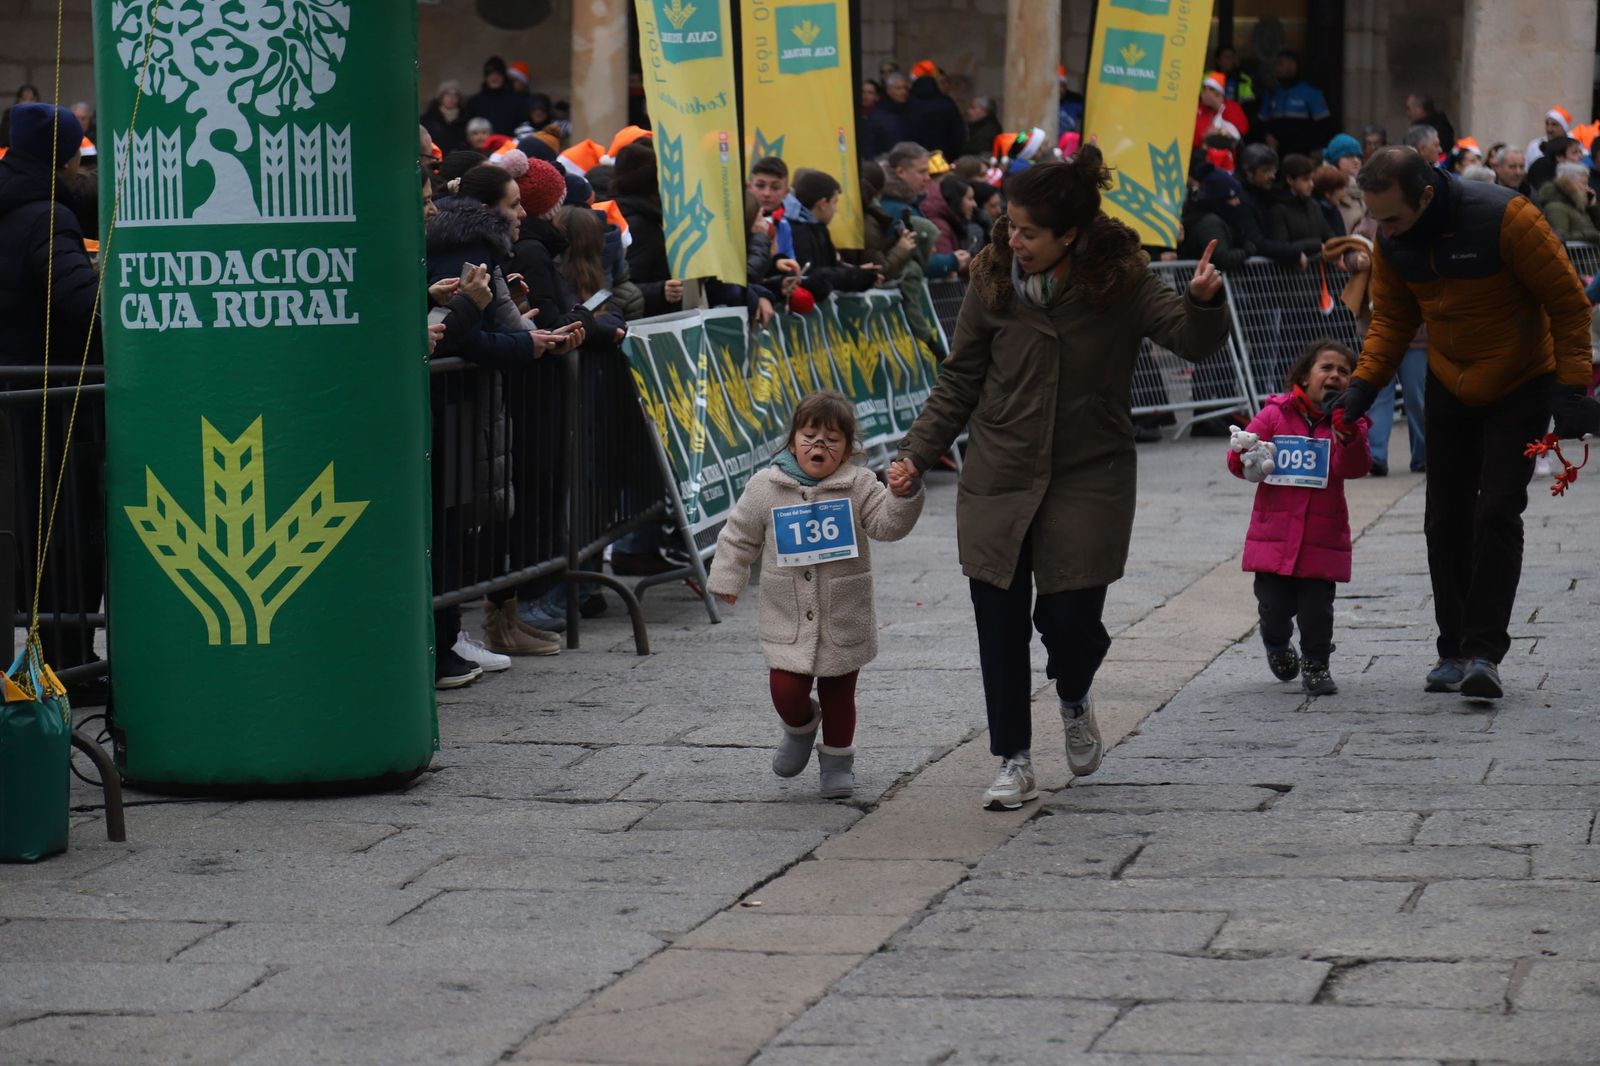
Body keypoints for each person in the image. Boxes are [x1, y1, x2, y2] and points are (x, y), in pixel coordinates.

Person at [886, 147, 1231, 810]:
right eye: (1010, 226)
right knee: (999, 623)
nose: (1013, 242)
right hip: (1000, 469)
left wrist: (1202, 300)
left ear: (1068, 235)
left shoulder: (1120, 278)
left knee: (1071, 622)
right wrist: (915, 454)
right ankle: (1013, 759)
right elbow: (959, 379)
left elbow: (1190, 339)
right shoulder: (992, 277)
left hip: (1088, 471)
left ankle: (1074, 694)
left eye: (1029, 233)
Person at [1329, 147, 1598, 700]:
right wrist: (1362, 386)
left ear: (1427, 195)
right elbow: (1392, 320)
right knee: (1444, 518)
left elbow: (1569, 303)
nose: (1385, 231)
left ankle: (1483, 653)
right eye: (1377, 219)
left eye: (1393, 218)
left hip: (1521, 380)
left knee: (1497, 511)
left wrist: (1572, 389)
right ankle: (1451, 648)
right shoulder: (1391, 240)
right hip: (1449, 381)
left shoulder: (1508, 218)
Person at [706, 391, 924, 799]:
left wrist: (903, 495)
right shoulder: (766, 487)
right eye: (809, 436)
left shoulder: (859, 485)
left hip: (844, 612)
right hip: (786, 614)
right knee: (785, 689)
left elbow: (887, 525)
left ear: (848, 449)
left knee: (839, 694)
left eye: (832, 439)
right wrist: (727, 578)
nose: (818, 445)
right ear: (792, 442)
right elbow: (738, 535)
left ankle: (838, 764)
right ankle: (800, 727)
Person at [0, 103, 105, 683]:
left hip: (16, 396)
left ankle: (40, 664)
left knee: (26, 531)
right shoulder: (47, 217)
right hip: (52, 403)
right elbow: (83, 308)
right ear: (63, 158)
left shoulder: (17, 201)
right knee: (62, 534)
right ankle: (69, 664)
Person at [1228, 339, 1371, 696]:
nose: (1334, 375)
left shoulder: (1351, 422)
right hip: (1274, 538)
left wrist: (1347, 434)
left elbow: (1354, 467)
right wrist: (1245, 455)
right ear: (1305, 377)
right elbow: (1241, 455)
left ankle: (1316, 663)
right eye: (1326, 368)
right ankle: (1276, 643)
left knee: (1317, 611)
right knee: (1273, 608)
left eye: (1343, 371)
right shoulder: (1274, 414)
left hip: (1322, 538)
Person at [782, 170, 879, 300]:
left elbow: (830, 266)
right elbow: (812, 278)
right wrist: (856, 276)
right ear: (822, 204)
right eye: (834, 202)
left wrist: (858, 273)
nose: (836, 210)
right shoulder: (795, 230)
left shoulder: (819, 228)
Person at [1257, 50, 1331, 157]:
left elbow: (1323, 125)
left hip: (1303, 153)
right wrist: (1267, 136)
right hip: (1276, 153)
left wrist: (1315, 148)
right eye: (1275, 64)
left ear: (1293, 65)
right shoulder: (1272, 93)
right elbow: (1262, 122)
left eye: (1280, 64)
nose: (1276, 68)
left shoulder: (1311, 92)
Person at [1271, 154, 1335, 252]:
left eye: (1312, 179)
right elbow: (1283, 246)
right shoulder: (1278, 209)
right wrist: (1316, 246)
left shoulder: (1314, 205)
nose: (1311, 184)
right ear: (1290, 180)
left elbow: (1328, 234)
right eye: (1305, 179)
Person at [902, 67, 965, 161]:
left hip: (914, 156)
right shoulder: (946, 103)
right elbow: (958, 133)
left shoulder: (908, 103)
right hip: (941, 156)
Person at [1194, 70, 1249, 173]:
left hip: (1226, 162)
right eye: (1204, 88)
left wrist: (1219, 106)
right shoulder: (1197, 109)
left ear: (1218, 92)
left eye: (1211, 89)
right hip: (1200, 159)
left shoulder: (1231, 107)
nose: (1206, 92)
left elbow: (1241, 130)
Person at [468, 56, 533, 136]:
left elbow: (523, 128)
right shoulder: (475, 102)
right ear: (486, 77)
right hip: (483, 142)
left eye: (498, 74)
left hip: (510, 142)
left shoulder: (517, 101)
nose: (494, 77)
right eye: (490, 74)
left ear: (504, 76)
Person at [1538, 161, 1600, 243]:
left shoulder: (1579, 205)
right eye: (1584, 183)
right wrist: (1591, 235)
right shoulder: (1555, 207)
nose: (1587, 188)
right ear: (1568, 183)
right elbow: (1560, 237)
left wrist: (1593, 207)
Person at [865, 73, 911, 160]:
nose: (903, 92)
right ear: (888, 90)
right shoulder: (878, 114)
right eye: (898, 88)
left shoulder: (911, 109)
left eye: (905, 88)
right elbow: (869, 143)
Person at [422, 80, 468, 155]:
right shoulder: (428, 119)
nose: (451, 98)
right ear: (441, 97)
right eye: (447, 94)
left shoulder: (465, 118)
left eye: (455, 95)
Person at [1312, 164, 1360, 236]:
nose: (1344, 193)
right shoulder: (1316, 214)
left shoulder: (1334, 210)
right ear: (1328, 193)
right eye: (1341, 189)